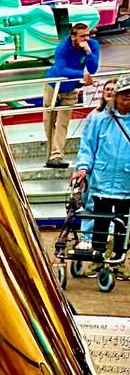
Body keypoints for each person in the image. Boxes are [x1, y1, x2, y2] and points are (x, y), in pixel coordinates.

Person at [73, 74, 130, 277]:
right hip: (102, 179)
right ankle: (97, 257)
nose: (127, 99)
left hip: (127, 182)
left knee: (124, 223)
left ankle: (118, 260)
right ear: (115, 96)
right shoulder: (98, 118)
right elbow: (87, 147)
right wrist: (82, 168)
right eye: (124, 95)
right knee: (101, 221)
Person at [44, 22, 99, 169]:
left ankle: (56, 155)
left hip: (72, 88)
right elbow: (61, 69)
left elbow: (93, 69)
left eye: (88, 35)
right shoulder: (63, 47)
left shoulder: (92, 45)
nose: (86, 38)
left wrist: (88, 52)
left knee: (63, 122)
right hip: (53, 84)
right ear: (73, 36)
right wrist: (81, 74)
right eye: (82, 36)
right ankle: (51, 153)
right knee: (49, 121)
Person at [73, 78, 116, 249]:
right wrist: (83, 167)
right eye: (107, 88)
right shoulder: (95, 116)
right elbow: (87, 145)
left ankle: (113, 250)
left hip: (122, 174)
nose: (110, 92)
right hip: (99, 173)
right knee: (92, 207)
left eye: (113, 89)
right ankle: (87, 240)